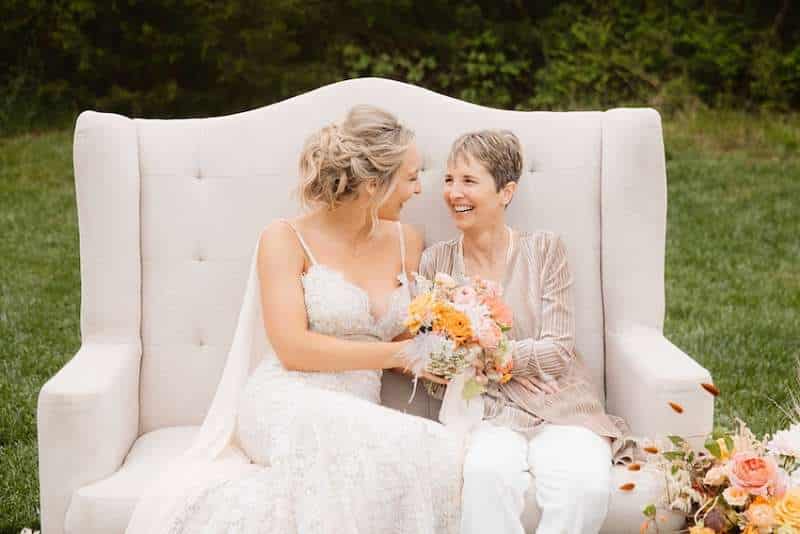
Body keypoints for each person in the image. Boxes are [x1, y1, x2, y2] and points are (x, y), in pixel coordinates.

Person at [125, 105, 462, 534]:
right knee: (417, 446)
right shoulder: (284, 238)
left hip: (358, 406)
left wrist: (455, 340)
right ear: (375, 185)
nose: (418, 189)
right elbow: (292, 347)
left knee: (434, 451)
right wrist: (400, 353)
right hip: (286, 400)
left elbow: (410, 330)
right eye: (412, 176)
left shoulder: (407, 240)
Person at [419, 130, 637, 534]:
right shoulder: (437, 263)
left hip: (560, 405)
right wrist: (493, 363)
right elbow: (435, 367)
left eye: (469, 180)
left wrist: (485, 356)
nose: (454, 193)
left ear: (506, 192)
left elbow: (557, 351)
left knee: (584, 486)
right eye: (448, 180)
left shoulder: (545, 250)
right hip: (485, 413)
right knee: (486, 478)